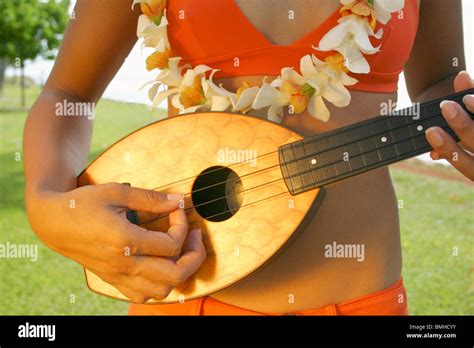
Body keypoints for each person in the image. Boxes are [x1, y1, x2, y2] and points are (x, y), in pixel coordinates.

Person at [24, 0, 473, 315]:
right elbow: (70, 93)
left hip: (363, 302)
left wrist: (463, 120)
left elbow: (442, 80)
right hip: (185, 299)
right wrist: (47, 202)